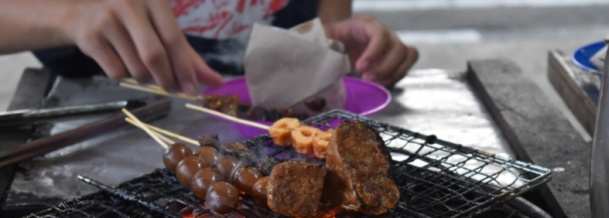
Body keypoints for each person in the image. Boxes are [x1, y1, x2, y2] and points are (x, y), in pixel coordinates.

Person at [0, 0, 418, 93]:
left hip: (269, 122)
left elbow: (323, 28)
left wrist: (338, 41)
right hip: (93, 118)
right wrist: (64, 15)